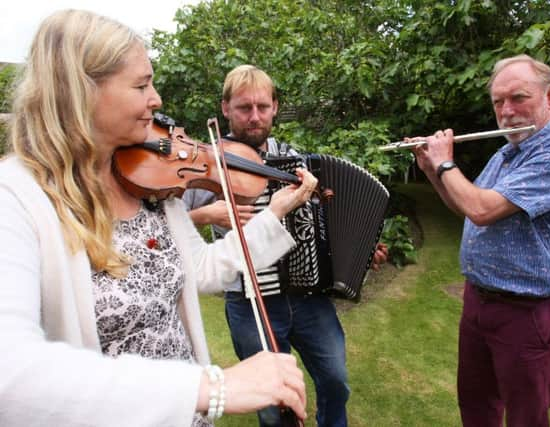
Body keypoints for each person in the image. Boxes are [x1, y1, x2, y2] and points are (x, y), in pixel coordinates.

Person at [0, 10, 320, 426]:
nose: (157, 100)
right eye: (140, 85)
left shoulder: (148, 181)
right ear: (81, 92)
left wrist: (275, 212)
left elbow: (200, 269)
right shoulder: (15, 199)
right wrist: (211, 387)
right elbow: (11, 373)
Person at [184, 65, 387, 427]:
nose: (255, 117)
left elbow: (328, 224)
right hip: (250, 302)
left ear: (275, 107)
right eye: (244, 108)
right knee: (272, 405)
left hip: (308, 298)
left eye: (263, 106)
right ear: (226, 109)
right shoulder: (209, 164)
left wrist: (361, 251)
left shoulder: (298, 162)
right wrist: (206, 214)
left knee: (336, 381)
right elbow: (169, 224)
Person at [410, 54, 550, 427]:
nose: (507, 111)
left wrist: (447, 162)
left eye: (518, 98)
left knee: (526, 417)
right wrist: (433, 171)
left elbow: (481, 208)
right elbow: (465, 206)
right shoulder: (508, 152)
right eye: (498, 102)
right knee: (477, 408)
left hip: (528, 311)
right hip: (480, 302)